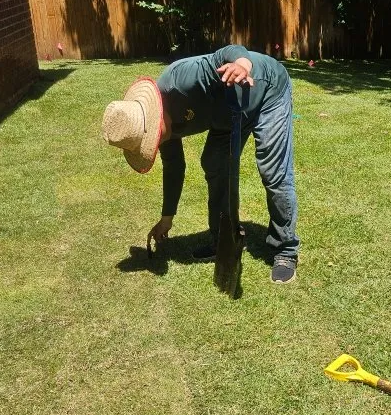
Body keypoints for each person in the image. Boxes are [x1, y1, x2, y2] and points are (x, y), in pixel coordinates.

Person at [101, 45, 299, 283]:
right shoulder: (161, 130)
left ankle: (285, 249)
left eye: (154, 135)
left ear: (154, 114)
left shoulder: (180, 80)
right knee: (214, 164)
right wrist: (167, 218)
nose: (158, 140)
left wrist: (242, 65)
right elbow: (174, 168)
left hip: (266, 89)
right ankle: (222, 240)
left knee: (273, 171)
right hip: (227, 113)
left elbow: (228, 51)